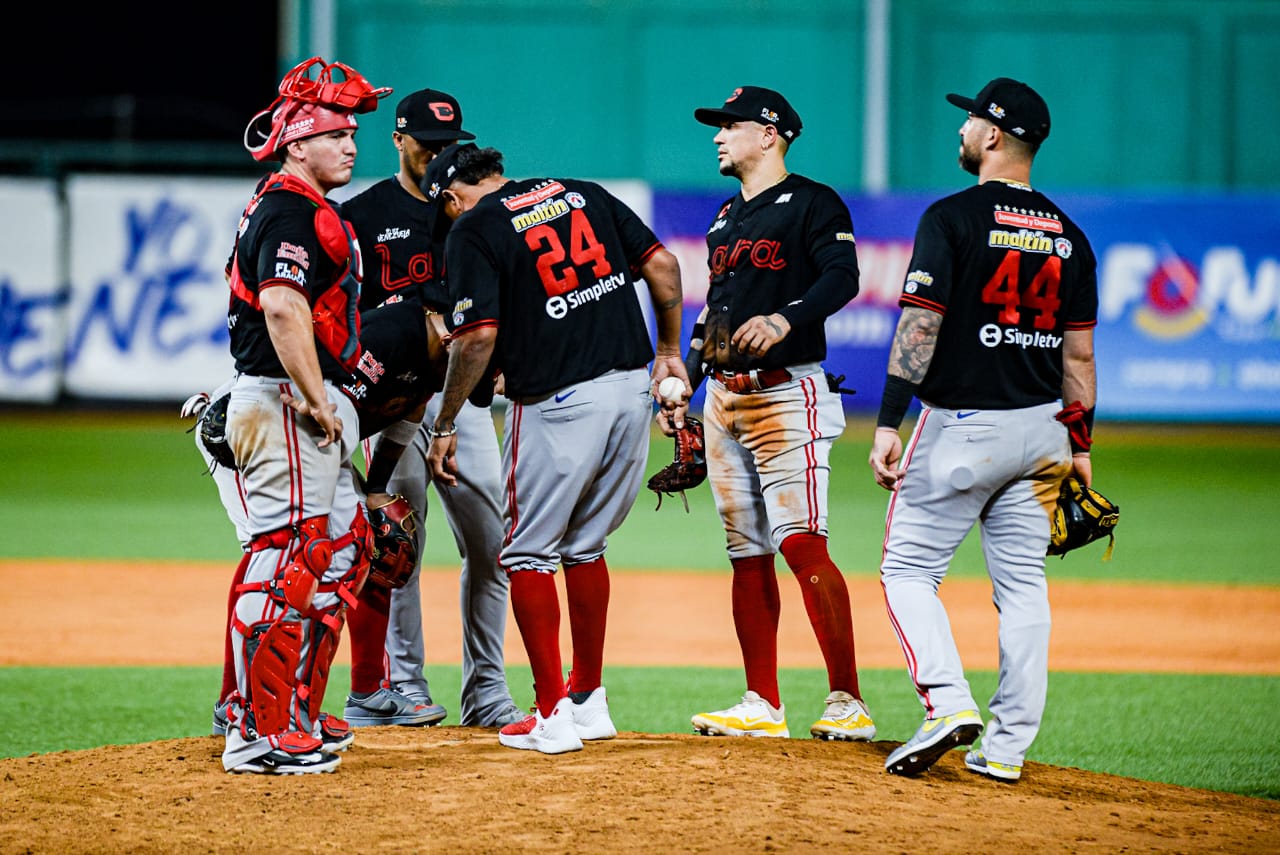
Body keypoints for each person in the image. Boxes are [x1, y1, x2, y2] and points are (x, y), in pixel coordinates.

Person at [422, 143, 689, 754]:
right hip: (631, 391)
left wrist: (448, 419)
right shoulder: (583, 192)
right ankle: (587, 700)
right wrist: (670, 351)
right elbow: (666, 268)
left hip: (559, 402)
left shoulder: (476, 227)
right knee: (585, 544)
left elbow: (478, 335)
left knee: (527, 553)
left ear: (453, 196)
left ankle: (550, 715)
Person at [869, 77, 1099, 782]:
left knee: (907, 569)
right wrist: (1081, 448)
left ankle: (945, 699)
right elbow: (1080, 355)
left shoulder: (953, 216)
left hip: (964, 428)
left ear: (993, 135)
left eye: (970, 120)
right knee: (1024, 586)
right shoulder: (1070, 235)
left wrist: (887, 420)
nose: (962, 130)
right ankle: (1004, 748)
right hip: (1044, 433)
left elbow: (921, 324)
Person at [683, 86, 875, 742]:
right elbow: (714, 311)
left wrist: (788, 316)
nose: (718, 136)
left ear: (771, 133)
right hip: (724, 398)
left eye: (729, 125)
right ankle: (762, 702)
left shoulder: (813, 203)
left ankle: (847, 698)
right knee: (746, 552)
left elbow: (843, 275)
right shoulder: (722, 219)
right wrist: (687, 385)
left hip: (785, 392)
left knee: (800, 541)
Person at [219, 56, 391, 774]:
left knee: (346, 544)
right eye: (335, 132)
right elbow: (283, 305)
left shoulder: (297, 203)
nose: (351, 144)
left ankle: (290, 704)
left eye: (353, 132)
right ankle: (254, 730)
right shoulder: (290, 207)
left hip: (293, 399)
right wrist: (319, 398)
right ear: (295, 139)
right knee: (288, 553)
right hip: (283, 397)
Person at [338, 87, 522, 728]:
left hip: (462, 399)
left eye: (450, 144)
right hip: (390, 393)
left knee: (492, 542)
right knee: (398, 543)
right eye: (428, 143)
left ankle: (487, 690)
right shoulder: (361, 213)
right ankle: (404, 685)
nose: (439, 153)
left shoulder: (478, 213)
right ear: (398, 139)